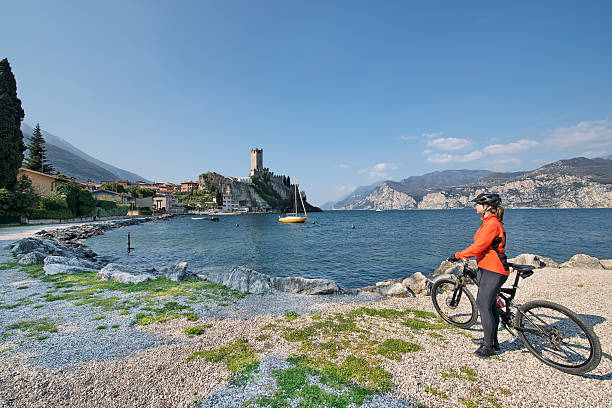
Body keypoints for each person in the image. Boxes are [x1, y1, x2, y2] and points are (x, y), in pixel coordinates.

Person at [448, 192, 509, 358]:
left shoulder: (492, 225)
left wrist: (458, 255)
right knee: (490, 306)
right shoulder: (488, 223)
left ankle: (488, 346)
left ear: (486, 207)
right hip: (487, 268)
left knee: (483, 305)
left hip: (494, 270)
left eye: (478, 204)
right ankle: (492, 340)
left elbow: (478, 247)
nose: (476, 206)